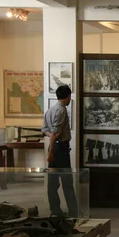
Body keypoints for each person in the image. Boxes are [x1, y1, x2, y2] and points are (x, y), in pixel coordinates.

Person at [41, 85, 78, 217]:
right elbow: (56, 133)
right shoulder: (61, 110)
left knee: (53, 182)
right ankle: (74, 211)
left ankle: (55, 210)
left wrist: (51, 141)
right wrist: (51, 153)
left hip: (54, 147)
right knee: (67, 181)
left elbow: (45, 130)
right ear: (67, 96)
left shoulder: (50, 110)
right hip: (60, 149)